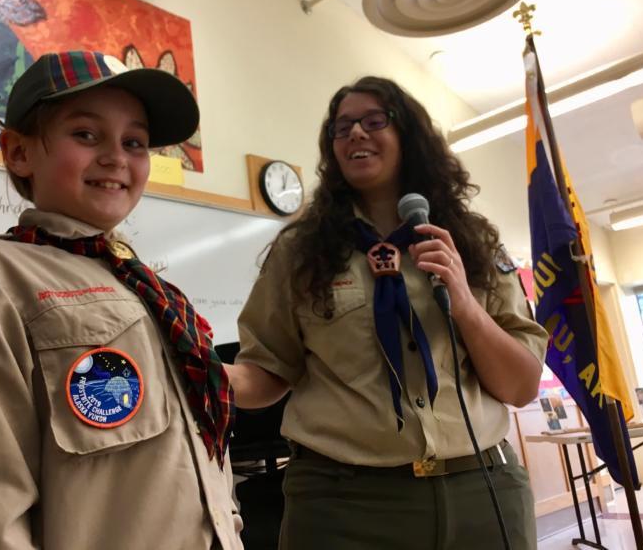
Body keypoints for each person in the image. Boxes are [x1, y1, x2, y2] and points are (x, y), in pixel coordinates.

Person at [0, 50, 243, 550]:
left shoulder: (154, 294)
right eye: (86, 134)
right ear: (18, 152)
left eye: (134, 141)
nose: (116, 157)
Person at [226, 76, 549, 550]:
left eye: (374, 121)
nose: (355, 133)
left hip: (483, 489)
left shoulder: (472, 242)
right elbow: (268, 370)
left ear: (409, 136)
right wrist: (196, 373)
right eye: (342, 128)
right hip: (343, 505)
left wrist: (463, 302)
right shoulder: (300, 253)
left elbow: (520, 387)